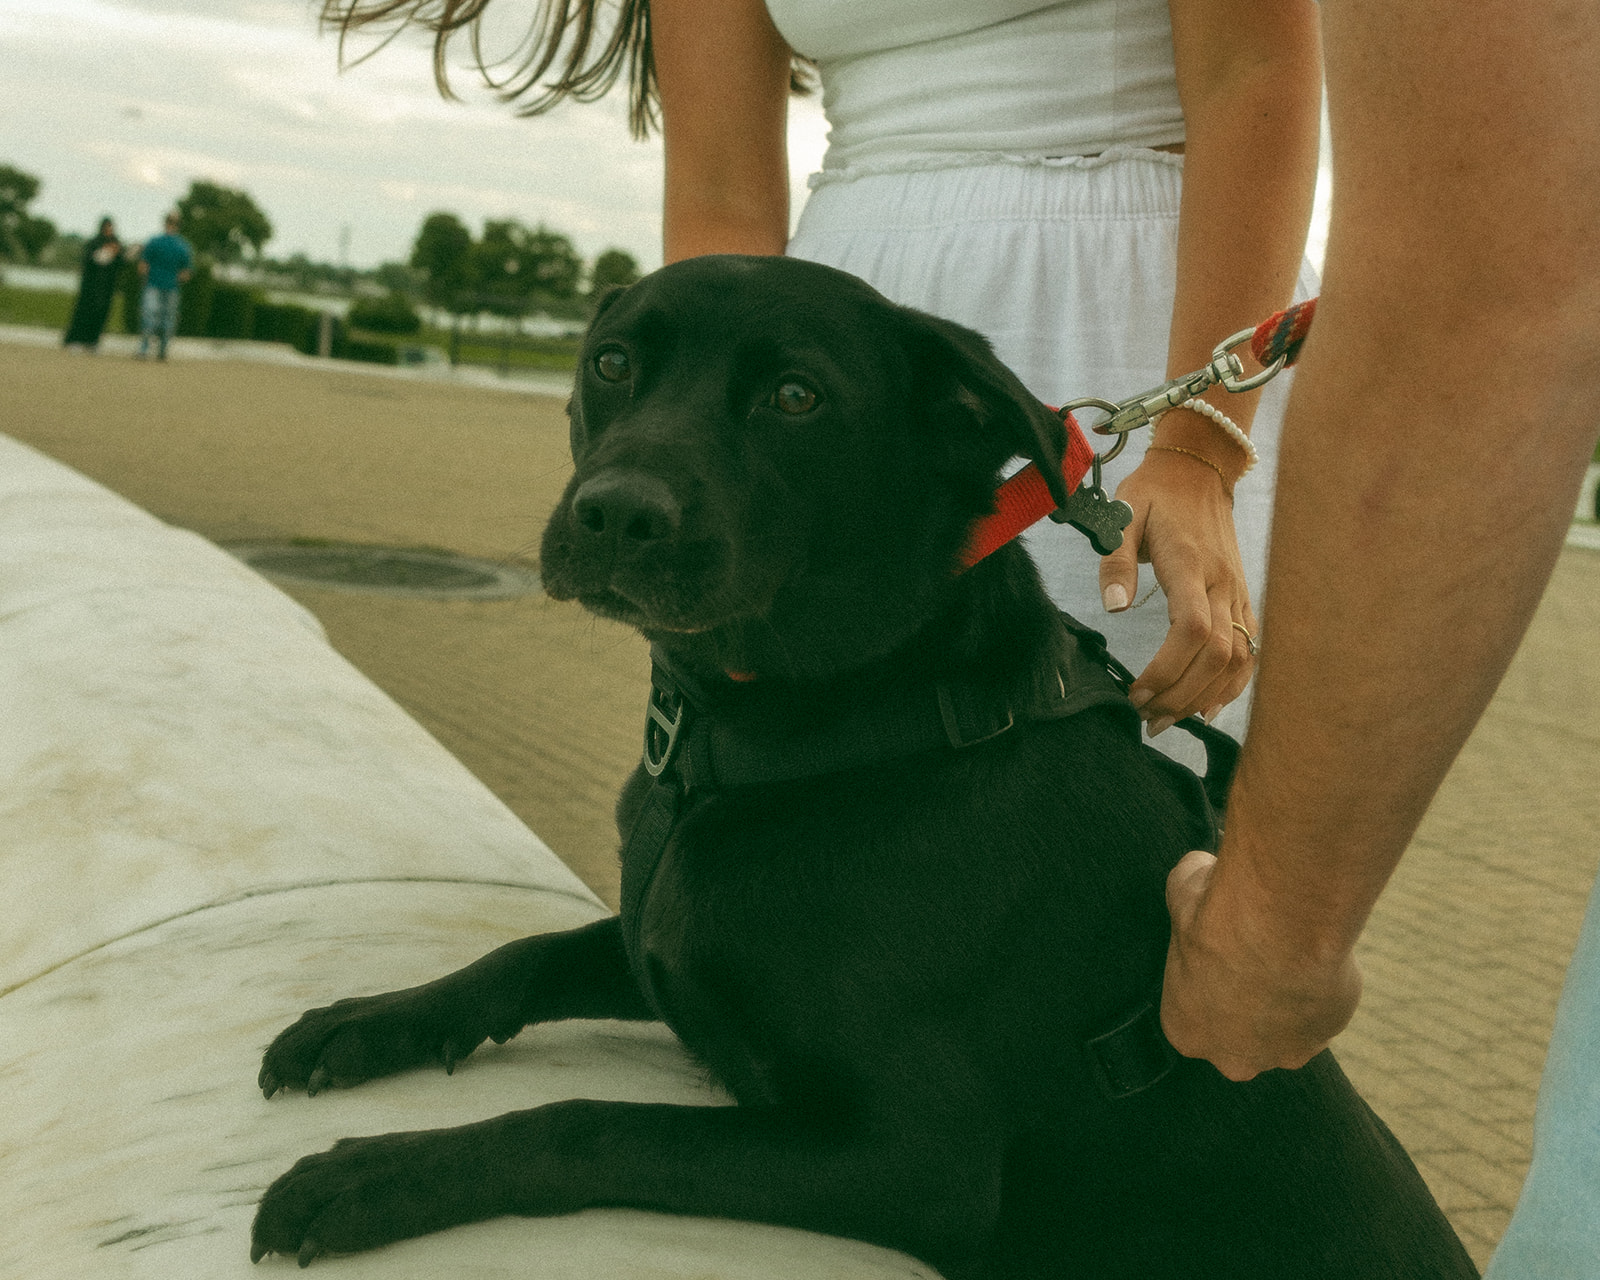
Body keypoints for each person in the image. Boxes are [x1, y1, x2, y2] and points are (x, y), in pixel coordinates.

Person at [136, 211, 193, 360]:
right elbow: (186, 273)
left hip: (155, 285)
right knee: (165, 319)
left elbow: (143, 266)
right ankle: (159, 351)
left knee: (152, 316)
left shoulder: (155, 242)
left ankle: (147, 349)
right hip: (168, 287)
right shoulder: (183, 246)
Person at [61, 217, 124, 351]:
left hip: (106, 288)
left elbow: (120, 263)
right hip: (90, 287)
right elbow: (90, 261)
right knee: (84, 313)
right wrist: (105, 252)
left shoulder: (117, 244)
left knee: (101, 314)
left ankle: (93, 341)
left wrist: (116, 253)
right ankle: (76, 340)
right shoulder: (94, 243)